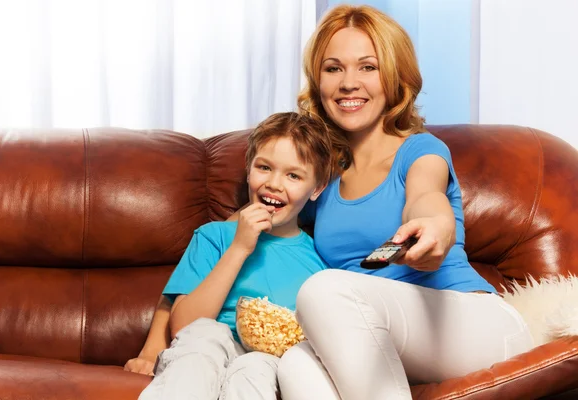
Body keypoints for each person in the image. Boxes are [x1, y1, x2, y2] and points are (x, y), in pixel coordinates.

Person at [275, 5, 534, 400]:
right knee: (296, 361)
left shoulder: (421, 151)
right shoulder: (320, 181)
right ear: (318, 81)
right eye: (333, 68)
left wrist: (434, 229)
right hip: (378, 337)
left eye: (368, 67)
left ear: (394, 77)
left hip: (472, 323)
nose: (348, 83)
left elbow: (427, 200)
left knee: (322, 290)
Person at [137, 112, 331, 400]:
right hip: (202, 346)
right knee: (206, 335)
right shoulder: (214, 236)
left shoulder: (318, 264)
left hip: (270, 362)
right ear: (249, 170)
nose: (274, 184)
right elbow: (184, 326)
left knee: (256, 366)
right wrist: (239, 248)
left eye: (293, 175)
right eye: (264, 167)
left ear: (316, 188)